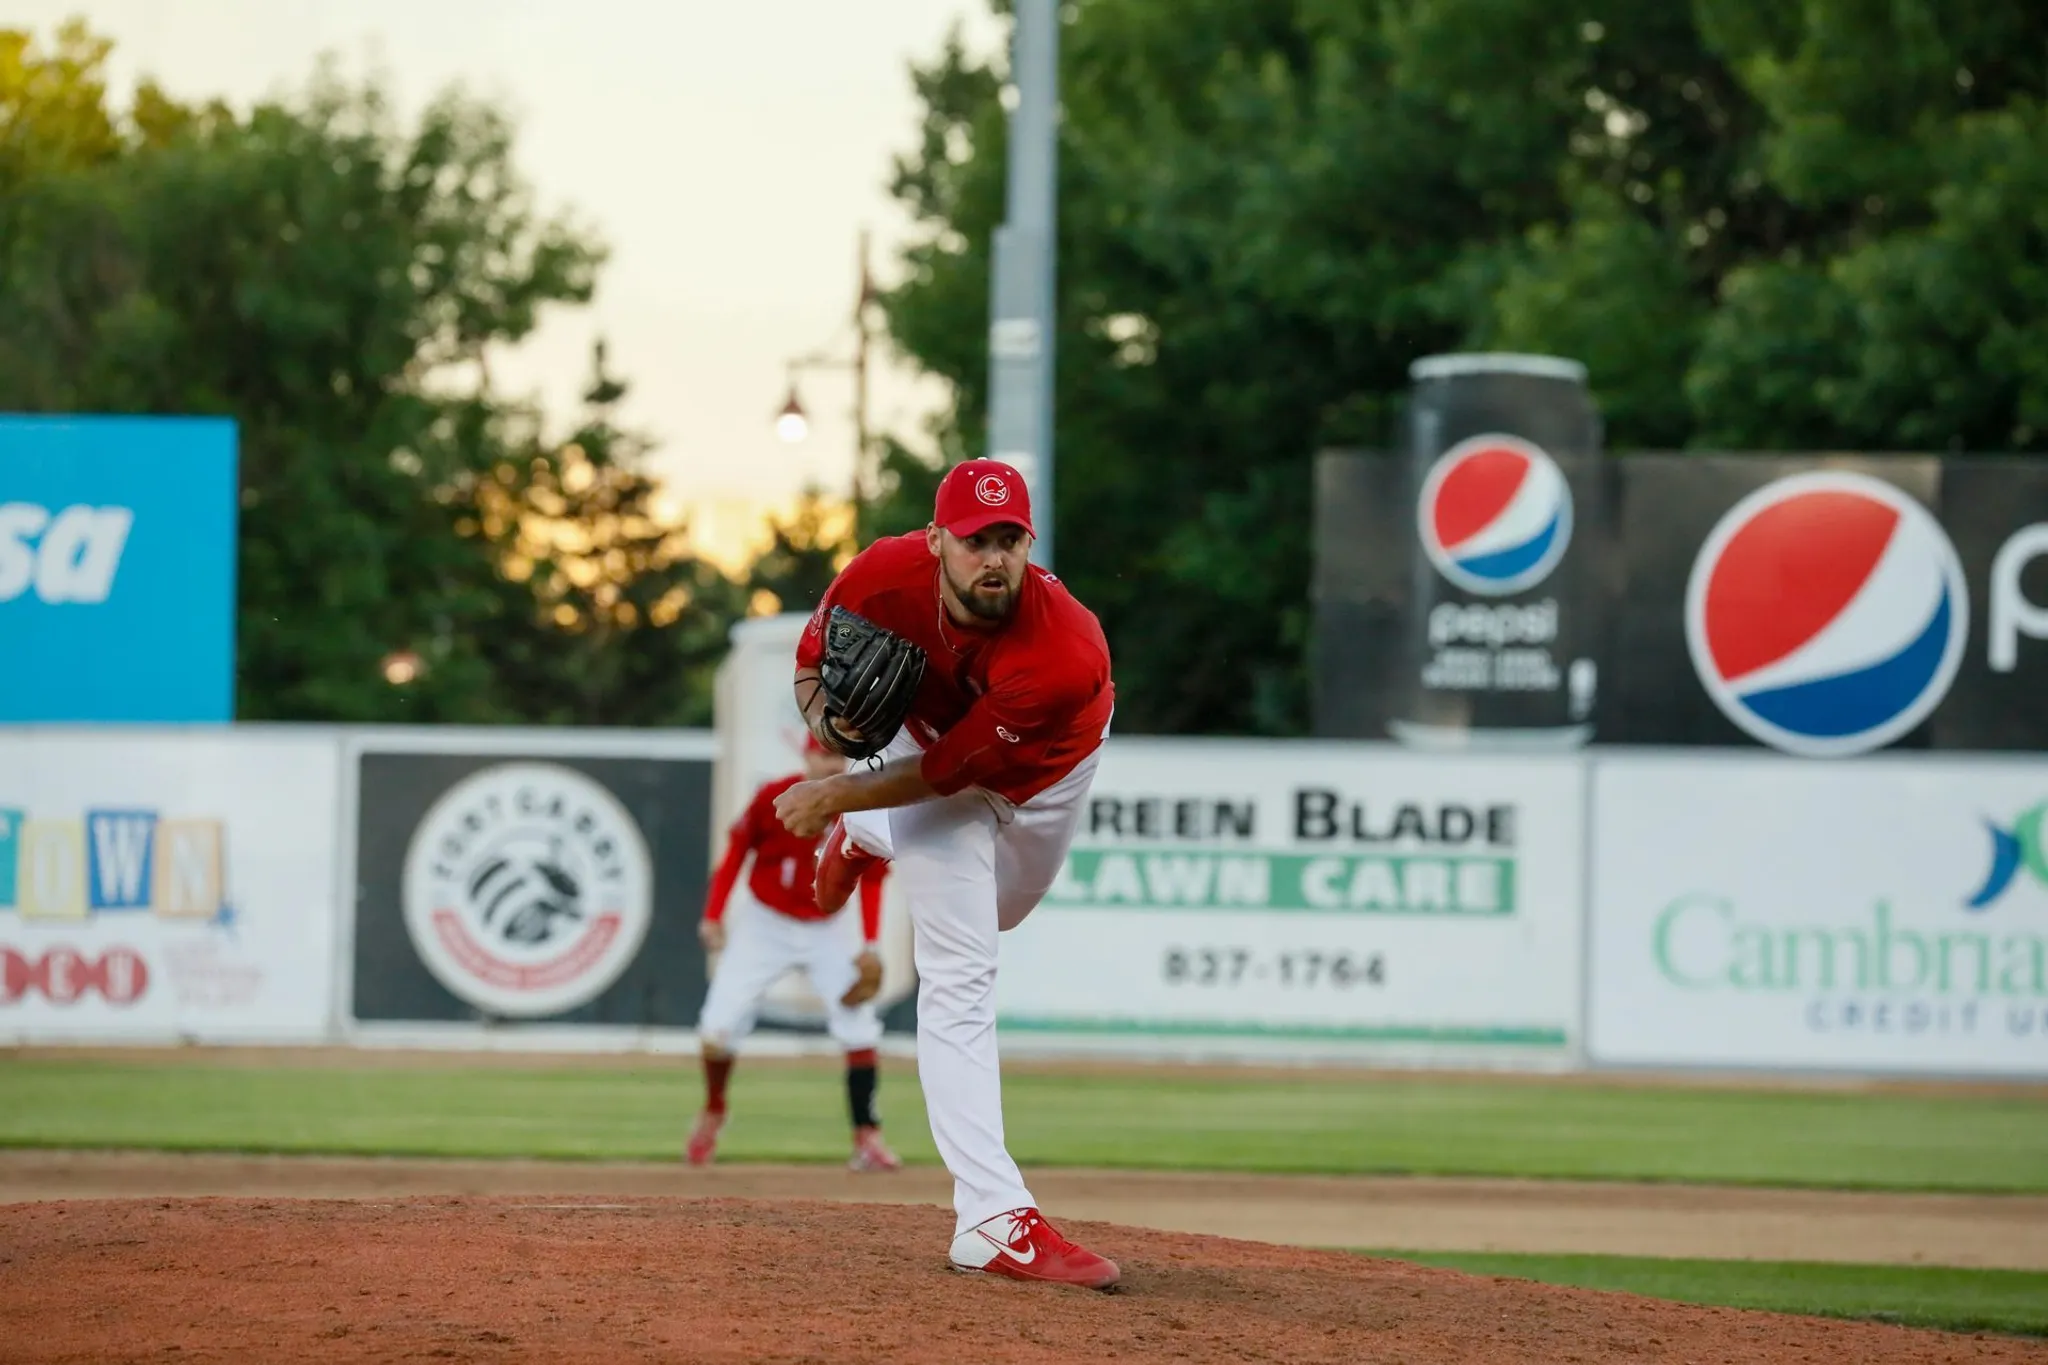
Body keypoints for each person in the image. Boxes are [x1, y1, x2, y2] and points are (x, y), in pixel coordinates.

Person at [771, 458, 1121, 1292]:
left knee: (1002, 913)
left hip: (1043, 772)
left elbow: (951, 776)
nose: (992, 557)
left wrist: (838, 797)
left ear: (1029, 544)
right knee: (961, 971)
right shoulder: (880, 574)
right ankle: (992, 1217)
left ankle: (867, 835)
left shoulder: (1062, 649)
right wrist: (832, 723)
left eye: (1009, 539)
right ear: (937, 541)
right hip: (923, 756)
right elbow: (812, 665)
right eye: (974, 540)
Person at [687, 734, 899, 1174]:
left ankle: (868, 1136)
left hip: (828, 927)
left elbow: (874, 879)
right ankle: (714, 1108)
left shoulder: (861, 804)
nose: (829, 763)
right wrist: (713, 914)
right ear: (805, 756)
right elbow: (736, 853)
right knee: (716, 1029)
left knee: (859, 1026)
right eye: (822, 754)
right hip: (765, 924)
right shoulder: (774, 797)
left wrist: (871, 946)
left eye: (837, 755)